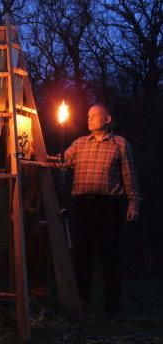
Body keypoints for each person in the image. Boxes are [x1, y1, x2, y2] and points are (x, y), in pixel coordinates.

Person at [53, 103, 141, 317]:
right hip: (83, 206)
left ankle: (112, 306)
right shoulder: (79, 143)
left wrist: (134, 203)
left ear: (107, 119)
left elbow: (129, 176)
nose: (89, 119)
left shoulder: (119, 144)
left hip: (108, 207)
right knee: (83, 255)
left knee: (111, 256)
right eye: (88, 116)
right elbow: (60, 163)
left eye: (94, 115)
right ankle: (82, 301)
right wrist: (36, 154)